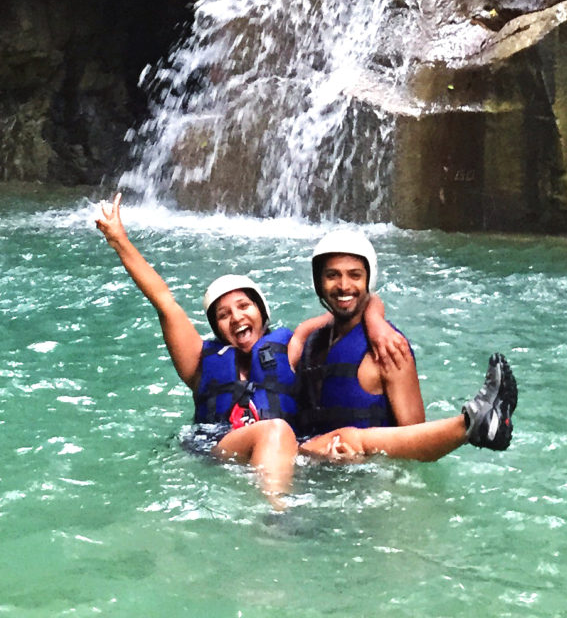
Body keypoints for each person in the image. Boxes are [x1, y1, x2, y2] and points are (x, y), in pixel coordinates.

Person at [92, 194, 405, 498]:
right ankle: (278, 518)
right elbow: (164, 302)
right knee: (275, 430)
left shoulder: (292, 346)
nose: (236, 317)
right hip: (217, 458)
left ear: (262, 314)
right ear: (216, 328)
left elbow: (349, 302)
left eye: (244, 306)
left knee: (340, 444)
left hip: (284, 457)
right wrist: (119, 240)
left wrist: (376, 318)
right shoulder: (200, 364)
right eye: (224, 314)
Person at [290, 231, 516, 463]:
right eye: (332, 275)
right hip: (313, 471)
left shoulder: (389, 349)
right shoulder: (312, 342)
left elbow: (416, 443)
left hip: (369, 479)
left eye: (355, 275)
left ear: (369, 279)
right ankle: (477, 423)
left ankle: (474, 423)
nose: (344, 285)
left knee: (348, 438)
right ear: (319, 281)